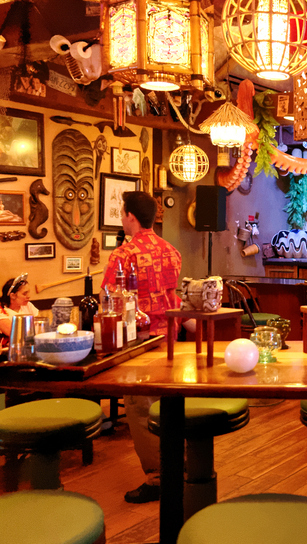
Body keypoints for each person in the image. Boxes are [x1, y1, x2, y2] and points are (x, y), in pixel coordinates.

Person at [101, 191, 181, 504]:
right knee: (170, 404)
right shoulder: (171, 250)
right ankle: (181, 465)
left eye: (122, 213)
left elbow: (110, 297)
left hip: (140, 339)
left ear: (130, 216)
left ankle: (158, 478)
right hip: (170, 337)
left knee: (140, 407)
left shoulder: (123, 255)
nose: (122, 218)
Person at [0, 273, 39, 350]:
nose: (29, 296)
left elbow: (39, 327)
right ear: (13, 295)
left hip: (24, 348)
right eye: (24, 293)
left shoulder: (28, 305)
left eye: (28, 292)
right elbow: (15, 333)